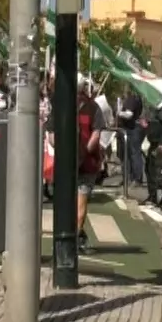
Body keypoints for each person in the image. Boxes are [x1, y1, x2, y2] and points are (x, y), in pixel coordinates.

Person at [76, 78, 105, 254]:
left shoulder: (61, 104)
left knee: (75, 203)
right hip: (85, 161)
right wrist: (86, 150)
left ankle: (76, 237)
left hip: (78, 162)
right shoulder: (93, 107)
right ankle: (77, 237)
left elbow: (51, 133)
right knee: (80, 203)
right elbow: (96, 132)